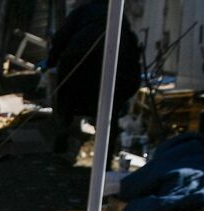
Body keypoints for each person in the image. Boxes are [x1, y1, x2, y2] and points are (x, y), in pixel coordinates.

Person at [48, 0, 141, 157]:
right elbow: (133, 48)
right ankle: (106, 157)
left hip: (79, 62)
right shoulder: (119, 16)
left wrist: (52, 60)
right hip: (111, 67)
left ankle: (62, 141)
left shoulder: (83, 12)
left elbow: (61, 36)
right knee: (109, 113)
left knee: (68, 107)